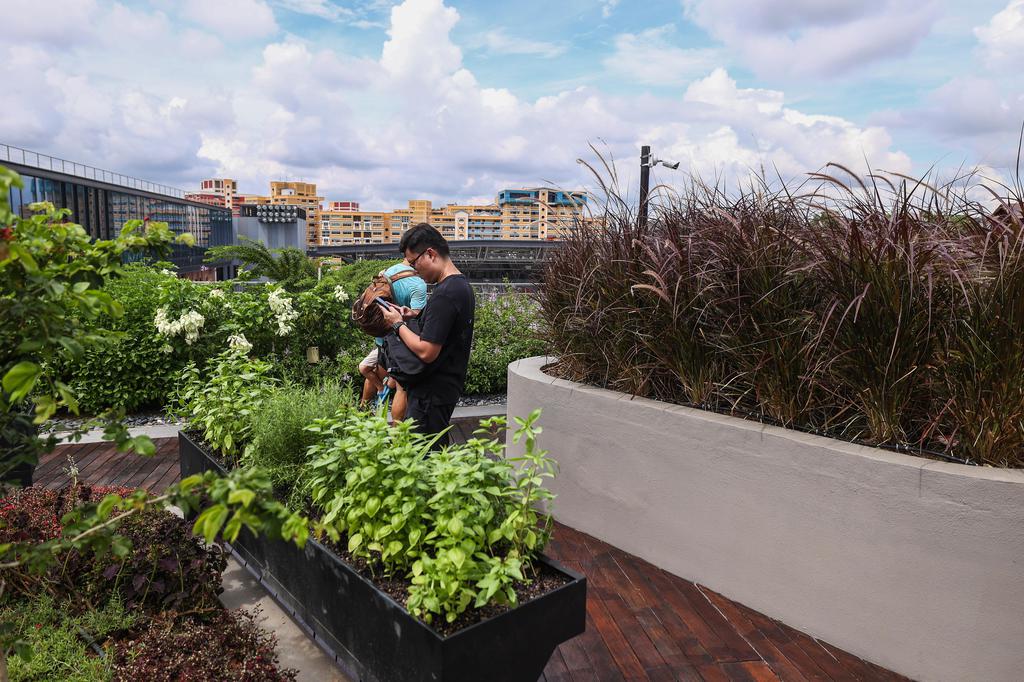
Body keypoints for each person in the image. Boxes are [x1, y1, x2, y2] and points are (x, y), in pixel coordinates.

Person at [381, 223, 475, 447]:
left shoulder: (446, 293)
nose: (415, 270)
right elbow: (441, 330)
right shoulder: (460, 286)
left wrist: (396, 325)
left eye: (414, 263)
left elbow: (427, 351)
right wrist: (412, 317)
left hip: (431, 394)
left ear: (430, 254)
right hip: (442, 390)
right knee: (434, 454)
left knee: (423, 460)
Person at [357, 257, 427, 421]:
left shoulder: (387, 272)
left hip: (381, 340)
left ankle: (361, 416)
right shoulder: (418, 284)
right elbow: (418, 320)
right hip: (401, 341)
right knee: (402, 389)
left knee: (377, 375)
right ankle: (397, 437)